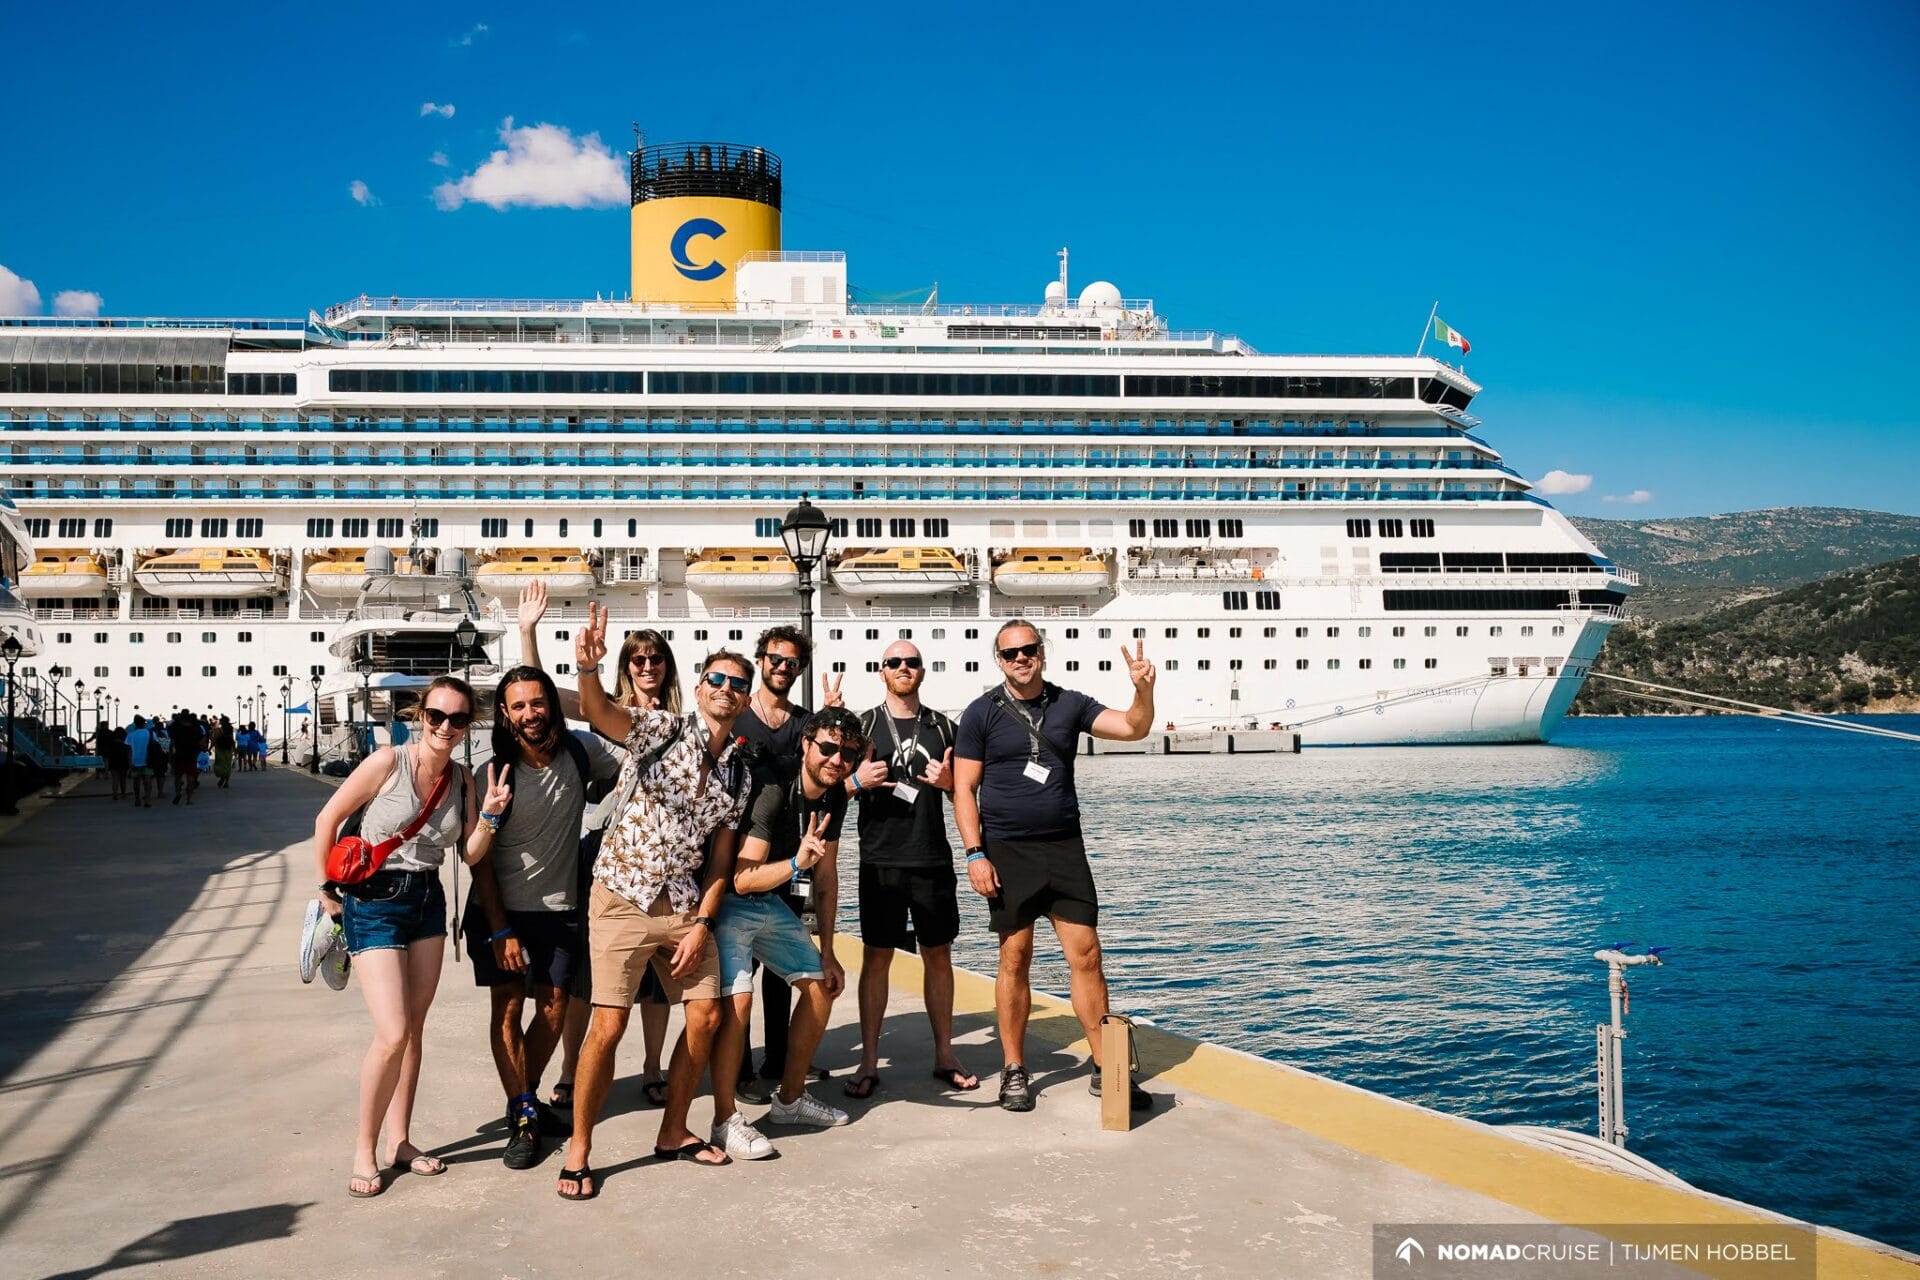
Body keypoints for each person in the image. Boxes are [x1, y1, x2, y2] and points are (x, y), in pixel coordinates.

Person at [559, 606, 756, 1199]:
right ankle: (579, 1148)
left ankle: (674, 1129)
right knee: (609, 1024)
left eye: (736, 683)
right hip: (622, 894)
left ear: (746, 699)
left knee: (707, 1015)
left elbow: (720, 863)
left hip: (683, 906)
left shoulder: (739, 776)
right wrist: (589, 669)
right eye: (716, 679)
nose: (725, 689)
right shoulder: (660, 728)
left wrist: (702, 923)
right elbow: (599, 713)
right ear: (699, 688)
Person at [953, 619, 1158, 1114]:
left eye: (1028, 649)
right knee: (1014, 957)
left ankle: (1106, 1069)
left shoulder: (1071, 704)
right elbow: (963, 789)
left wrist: (1143, 690)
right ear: (999, 660)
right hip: (1007, 850)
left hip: (1064, 848)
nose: (1020, 659)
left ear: (1042, 652)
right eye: (1010, 653)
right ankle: (1014, 1069)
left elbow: (1133, 728)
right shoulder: (981, 713)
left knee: (1087, 955)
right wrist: (975, 853)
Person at [311, 675, 479, 1198]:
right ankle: (364, 1149)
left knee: (414, 1029)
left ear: (467, 725)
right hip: (374, 899)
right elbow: (327, 818)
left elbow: (471, 852)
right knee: (392, 1032)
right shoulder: (388, 762)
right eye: (436, 716)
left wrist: (492, 816)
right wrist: (326, 891)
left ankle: (399, 1141)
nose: (445, 727)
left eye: (457, 719)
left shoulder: (464, 780)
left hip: (428, 899)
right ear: (420, 715)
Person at [461, 665, 621, 1171]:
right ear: (504, 714)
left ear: (551, 703)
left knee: (553, 1009)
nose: (530, 713)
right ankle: (526, 1117)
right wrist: (501, 929)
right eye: (519, 706)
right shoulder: (494, 772)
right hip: (499, 912)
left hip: (559, 909)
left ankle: (522, 1100)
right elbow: (479, 861)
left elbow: (634, 750)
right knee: (508, 1008)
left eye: (538, 702)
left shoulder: (581, 751)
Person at [708, 707, 858, 1159]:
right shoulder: (774, 789)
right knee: (739, 1001)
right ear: (806, 744)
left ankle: (790, 1100)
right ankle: (724, 1120)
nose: (837, 760)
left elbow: (826, 879)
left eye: (847, 754)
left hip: (771, 902)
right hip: (731, 902)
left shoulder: (835, 795)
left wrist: (828, 951)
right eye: (828, 748)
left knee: (822, 985)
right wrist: (796, 863)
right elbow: (741, 879)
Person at [550, 624, 683, 1115]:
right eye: (637, 659)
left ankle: (652, 1068)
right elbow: (547, 695)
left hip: (662, 861)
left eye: (655, 658)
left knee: (658, 977)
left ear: (667, 666)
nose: (647, 667)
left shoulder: (680, 723)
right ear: (626, 666)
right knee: (589, 976)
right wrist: (529, 633)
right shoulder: (606, 712)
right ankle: (570, 1070)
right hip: (606, 856)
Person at [842, 641, 976, 1099]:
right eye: (895, 662)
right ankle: (868, 1061)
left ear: (922, 671)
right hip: (879, 861)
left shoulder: (943, 726)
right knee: (876, 958)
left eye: (912, 662)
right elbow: (830, 786)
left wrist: (949, 784)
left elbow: (967, 793)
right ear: (882, 671)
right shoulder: (863, 726)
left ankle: (945, 1055)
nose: (904, 668)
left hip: (932, 859)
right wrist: (857, 781)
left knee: (938, 955)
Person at [729, 624, 843, 1099]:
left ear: (800, 669)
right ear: (761, 660)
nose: (782, 667)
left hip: (791, 860)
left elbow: (827, 775)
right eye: (775, 659)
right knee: (739, 977)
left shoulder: (805, 724)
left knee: (782, 972)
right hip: (738, 854)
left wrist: (831, 718)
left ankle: (780, 1058)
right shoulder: (737, 714)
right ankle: (738, 1071)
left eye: (792, 662)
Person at [169, 709, 202, 805]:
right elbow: (200, 735)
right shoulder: (194, 724)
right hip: (191, 753)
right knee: (190, 776)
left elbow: (171, 735)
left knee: (178, 776)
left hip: (180, 752)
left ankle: (178, 793)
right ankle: (189, 799)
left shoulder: (176, 724)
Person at [124, 717, 152, 807]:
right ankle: (147, 800)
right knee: (148, 781)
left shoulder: (131, 735)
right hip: (148, 761)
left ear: (135, 724)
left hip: (135, 762)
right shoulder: (150, 733)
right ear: (144, 723)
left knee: (136, 781)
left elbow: (129, 750)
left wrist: (130, 763)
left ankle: (137, 799)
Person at [105, 726, 131, 801]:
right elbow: (128, 755)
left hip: (113, 762)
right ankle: (123, 793)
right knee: (123, 779)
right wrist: (130, 764)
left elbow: (108, 754)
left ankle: (115, 794)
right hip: (123, 762)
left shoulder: (111, 743)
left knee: (115, 779)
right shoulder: (126, 744)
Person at [211, 716, 235, 789]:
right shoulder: (230, 729)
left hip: (220, 750)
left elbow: (214, 740)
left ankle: (222, 778)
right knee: (227, 766)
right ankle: (226, 782)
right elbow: (232, 740)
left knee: (220, 765)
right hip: (228, 749)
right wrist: (235, 750)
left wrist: (209, 748)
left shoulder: (218, 730)